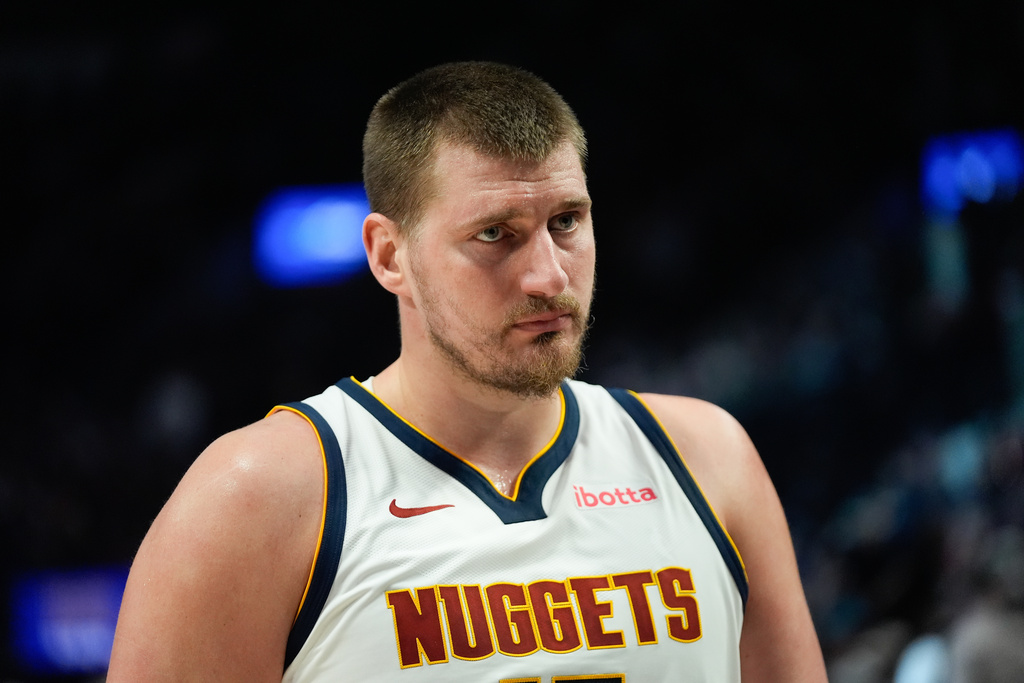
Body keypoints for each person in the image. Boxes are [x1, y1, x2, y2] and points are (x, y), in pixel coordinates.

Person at [107, 61, 827, 682]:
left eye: (567, 221)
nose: (549, 274)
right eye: (495, 234)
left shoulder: (709, 459)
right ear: (389, 255)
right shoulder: (254, 500)